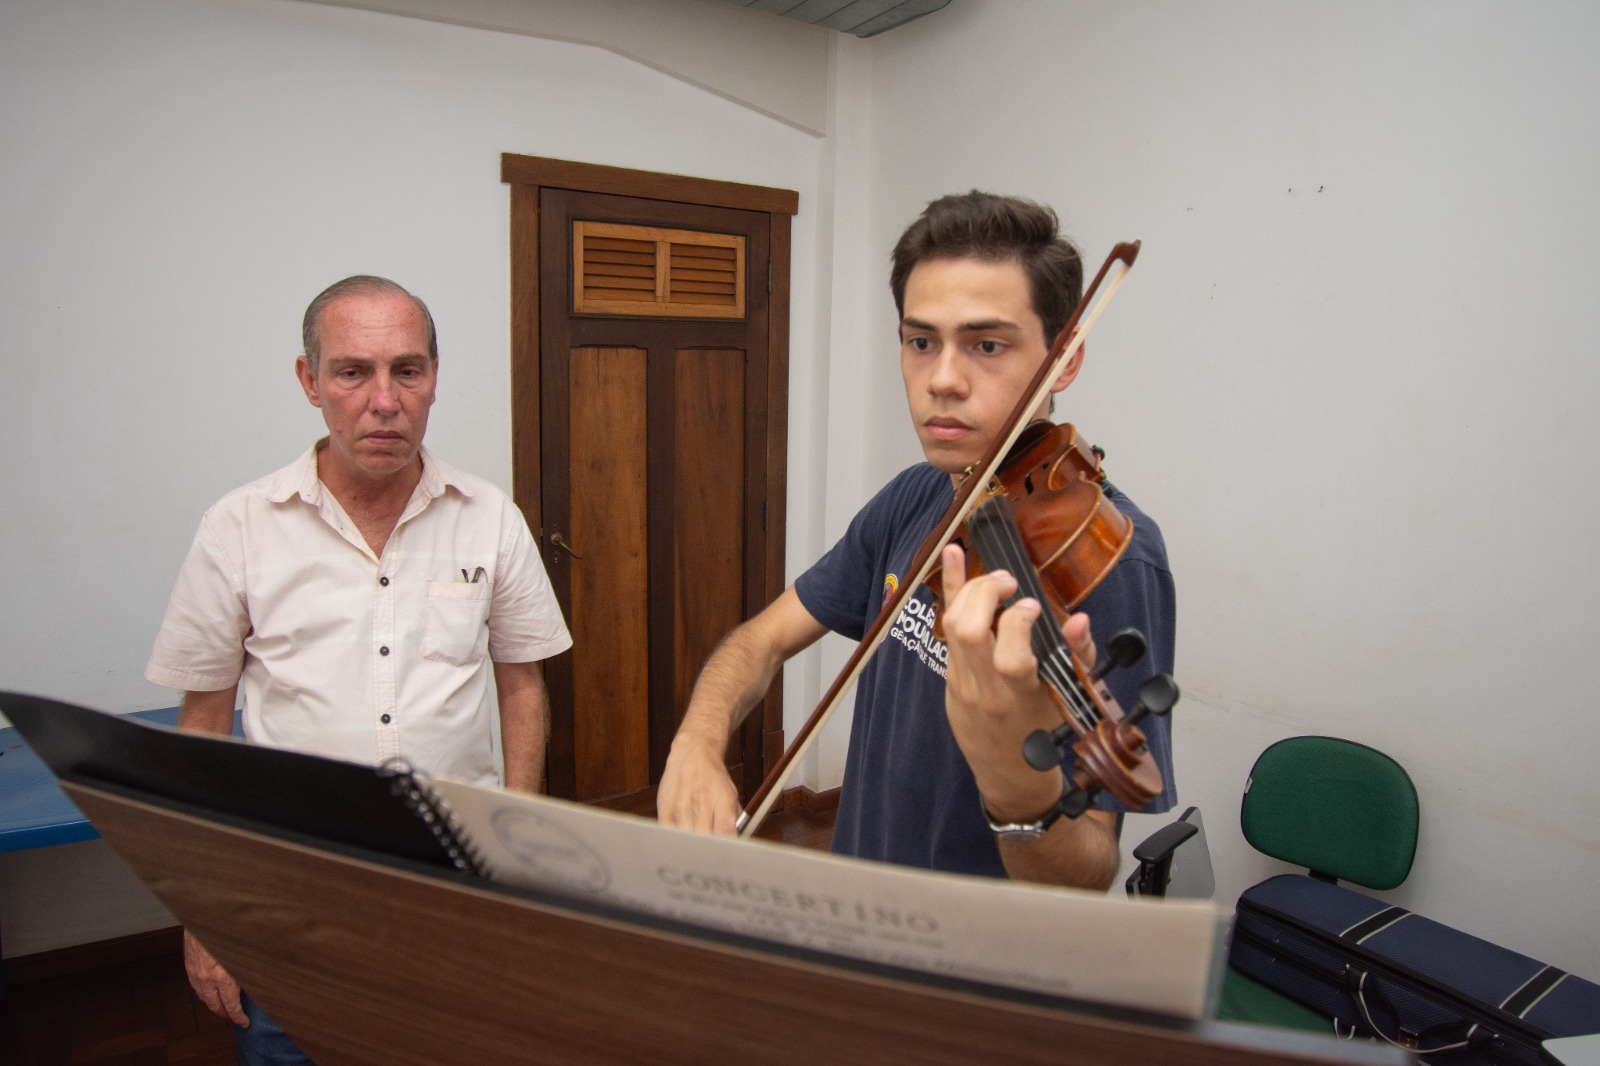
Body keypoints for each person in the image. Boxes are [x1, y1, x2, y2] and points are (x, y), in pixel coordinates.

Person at [658, 192, 1175, 890]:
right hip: (855, 900)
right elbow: (763, 638)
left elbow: (1085, 872)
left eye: (987, 345)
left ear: (1064, 359)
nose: (942, 380)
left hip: (971, 945)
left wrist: (1014, 782)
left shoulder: (1114, 558)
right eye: (921, 341)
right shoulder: (917, 494)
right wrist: (699, 736)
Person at [145, 275, 572, 1065]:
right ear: (310, 381)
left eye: (407, 371)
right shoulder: (239, 528)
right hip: (292, 897)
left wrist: (517, 854)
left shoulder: (490, 519)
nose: (384, 401)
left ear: (434, 378)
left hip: (454, 887)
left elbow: (521, 686)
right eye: (352, 372)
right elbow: (202, 724)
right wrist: (203, 911)